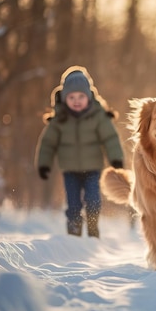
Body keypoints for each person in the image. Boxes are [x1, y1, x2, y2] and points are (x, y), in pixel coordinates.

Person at [35, 66, 124, 238]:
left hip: (93, 169)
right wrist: (44, 164)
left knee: (93, 201)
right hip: (70, 171)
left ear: (89, 96)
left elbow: (110, 138)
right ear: (64, 97)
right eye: (72, 97)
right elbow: (48, 143)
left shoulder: (98, 115)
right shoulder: (59, 119)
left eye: (81, 96)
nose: (77, 101)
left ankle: (92, 229)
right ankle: (74, 231)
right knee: (73, 204)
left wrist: (116, 159)